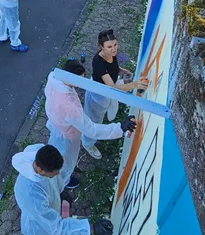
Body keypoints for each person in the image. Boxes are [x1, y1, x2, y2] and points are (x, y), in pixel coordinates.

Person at [13, 143, 115, 235]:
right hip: (37, 225)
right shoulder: (31, 194)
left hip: (48, 208)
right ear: (40, 170)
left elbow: (52, 181)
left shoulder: (38, 152)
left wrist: (60, 192)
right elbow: (58, 227)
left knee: (50, 230)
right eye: (54, 173)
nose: (58, 175)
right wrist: (91, 228)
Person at [45, 59, 137, 189]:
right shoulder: (69, 105)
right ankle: (64, 181)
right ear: (72, 78)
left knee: (58, 151)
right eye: (79, 80)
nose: (80, 84)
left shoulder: (54, 77)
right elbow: (91, 129)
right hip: (68, 134)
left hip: (56, 122)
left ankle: (60, 175)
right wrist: (120, 128)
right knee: (67, 160)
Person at [83, 29, 149, 159]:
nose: (114, 49)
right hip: (99, 94)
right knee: (94, 120)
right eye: (109, 47)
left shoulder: (109, 53)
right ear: (101, 47)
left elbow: (112, 66)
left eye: (115, 45)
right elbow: (112, 88)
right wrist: (134, 85)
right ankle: (87, 143)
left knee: (106, 110)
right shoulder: (98, 62)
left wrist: (121, 70)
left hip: (107, 90)